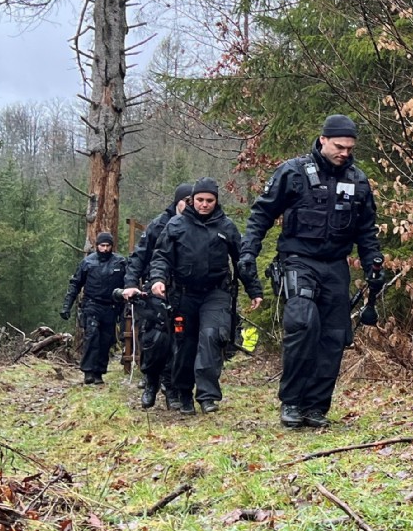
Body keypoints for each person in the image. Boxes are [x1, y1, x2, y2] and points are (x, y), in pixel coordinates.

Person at [240, 114, 385, 430]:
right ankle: (292, 401)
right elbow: (262, 213)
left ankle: (316, 407)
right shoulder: (293, 173)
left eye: (349, 147)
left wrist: (374, 263)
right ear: (323, 140)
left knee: (334, 337)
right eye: (339, 146)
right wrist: (248, 251)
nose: (344, 153)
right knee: (303, 324)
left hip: (335, 266)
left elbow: (366, 230)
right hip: (298, 261)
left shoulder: (358, 181)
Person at [149, 178, 264, 414]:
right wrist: (158, 280)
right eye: (200, 200)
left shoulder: (226, 227)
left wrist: (254, 289)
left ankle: (207, 395)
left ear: (216, 201)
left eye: (209, 200)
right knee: (185, 344)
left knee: (212, 336)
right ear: (192, 200)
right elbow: (161, 257)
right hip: (183, 294)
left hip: (216, 292)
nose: (204, 204)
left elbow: (241, 260)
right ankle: (183, 393)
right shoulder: (175, 226)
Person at [119, 181, 193, 410]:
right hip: (155, 288)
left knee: (179, 340)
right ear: (177, 201)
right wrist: (131, 283)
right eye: (186, 201)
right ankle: (151, 380)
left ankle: (172, 388)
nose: (190, 206)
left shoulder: (197, 225)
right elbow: (138, 257)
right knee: (154, 339)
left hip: (183, 290)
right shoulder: (158, 225)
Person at [60, 232, 127, 385]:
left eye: (108, 246)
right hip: (92, 305)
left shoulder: (120, 262)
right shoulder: (88, 263)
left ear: (112, 246)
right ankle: (88, 371)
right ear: (97, 246)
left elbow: (129, 281)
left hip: (111, 307)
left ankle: (99, 372)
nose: (105, 249)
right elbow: (75, 284)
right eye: (102, 245)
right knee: (92, 336)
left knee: (106, 340)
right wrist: (66, 306)